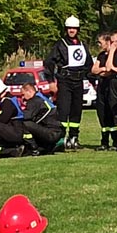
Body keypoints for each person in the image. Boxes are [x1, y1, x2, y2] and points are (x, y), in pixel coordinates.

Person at [42, 16, 92, 149]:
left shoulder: (83, 45)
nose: (72, 30)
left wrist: (92, 79)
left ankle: (74, 137)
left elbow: (88, 64)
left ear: (78, 29)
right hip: (65, 81)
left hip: (79, 81)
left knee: (77, 110)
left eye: (74, 28)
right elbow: (49, 62)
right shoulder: (60, 44)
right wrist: (51, 81)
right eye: (69, 28)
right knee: (63, 110)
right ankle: (61, 138)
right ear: (66, 29)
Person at [17, 79, 63, 154]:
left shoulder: (33, 101)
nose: (23, 98)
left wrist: (15, 115)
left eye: (23, 94)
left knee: (25, 124)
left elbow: (26, 116)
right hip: (57, 131)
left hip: (51, 133)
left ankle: (33, 148)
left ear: (30, 91)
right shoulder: (41, 97)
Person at [91, 35, 117, 149]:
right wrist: (101, 69)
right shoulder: (101, 55)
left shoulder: (114, 54)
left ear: (107, 42)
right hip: (101, 87)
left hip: (111, 86)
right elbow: (94, 70)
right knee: (102, 113)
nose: (99, 45)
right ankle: (104, 141)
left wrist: (103, 71)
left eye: (100, 42)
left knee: (112, 113)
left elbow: (109, 70)